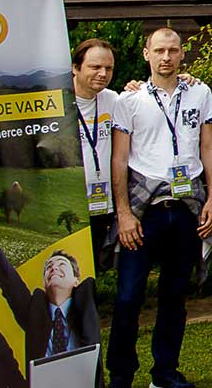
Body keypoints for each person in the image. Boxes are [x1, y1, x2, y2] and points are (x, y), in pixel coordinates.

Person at [108, 27, 212, 387]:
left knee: (175, 296)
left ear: (182, 53)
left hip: (187, 207)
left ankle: (165, 373)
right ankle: (121, 376)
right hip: (145, 210)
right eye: (159, 50)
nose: (166, 57)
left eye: (173, 50)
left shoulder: (200, 92)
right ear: (147, 54)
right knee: (128, 297)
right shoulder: (129, 100)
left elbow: (209, 147)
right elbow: (119, 158)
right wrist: (123, 213)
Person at [0, 193, 99, 365]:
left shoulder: (89, 296)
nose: (54, 268)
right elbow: (7, 278)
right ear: (44, 283)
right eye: (48, 267)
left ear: (76, 280)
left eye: (61, 264)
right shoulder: (34, 311)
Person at [70, 39, 121, 270]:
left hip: (101, 204)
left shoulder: (113, 100)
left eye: (108, 68)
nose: (103, 74)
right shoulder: (55, 103)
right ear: (75, 67)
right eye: (95, 67)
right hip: (70, 204)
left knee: (93, 270)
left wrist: (185, 82)